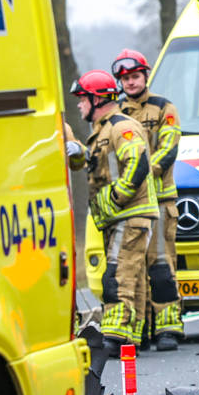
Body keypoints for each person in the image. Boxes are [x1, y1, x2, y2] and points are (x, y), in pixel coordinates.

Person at [72, 70, 160, 375]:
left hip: (128, 214)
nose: (80, 105)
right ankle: (131, 340)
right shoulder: (103, 129)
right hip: (122, 217)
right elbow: (104, 164)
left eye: (82, 99)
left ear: (98, 98)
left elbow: (137, 161)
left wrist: (116, 197)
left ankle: (113, 338)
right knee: (131, 278)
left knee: (118, 276)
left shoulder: (121, 127)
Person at [113, 48, 184, 351]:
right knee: (132, 268)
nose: (130, 82)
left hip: (160, 201)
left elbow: (169, 147)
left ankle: (168, 328)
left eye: (135, 76)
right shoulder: (114, 113)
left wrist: (143, 172)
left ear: (145, 75)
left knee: (161, 265)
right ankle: (138, 330)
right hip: (129, 205)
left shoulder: (163, 107)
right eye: (125, 78)